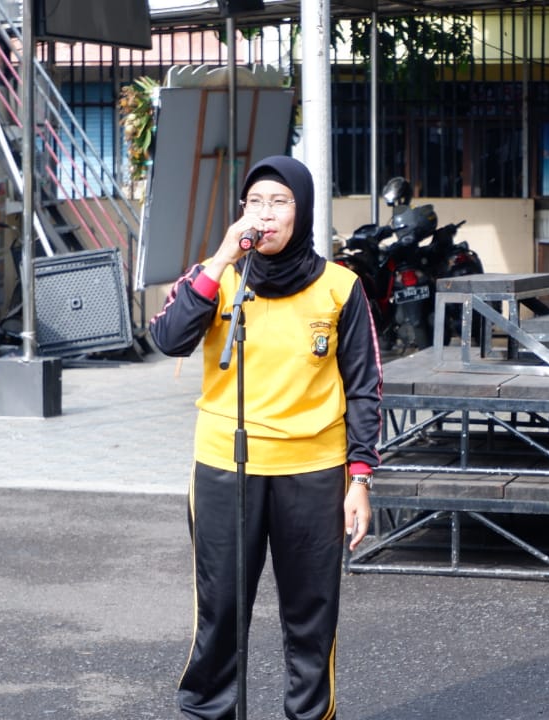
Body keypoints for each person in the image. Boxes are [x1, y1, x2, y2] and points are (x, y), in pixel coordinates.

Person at [149, 155, 382, 720]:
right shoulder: (218, 276)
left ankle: (309, 714)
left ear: (302, 212)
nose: (266, 214)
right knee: (220, 612)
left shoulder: (341, 287)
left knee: (311, 615)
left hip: (314, 471)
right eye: (255, 202)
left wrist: (360, 478)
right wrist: (221, 259)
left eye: (280, 202)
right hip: (225, 467)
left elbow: (364, 386)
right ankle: (209, 712)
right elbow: (168, 338)